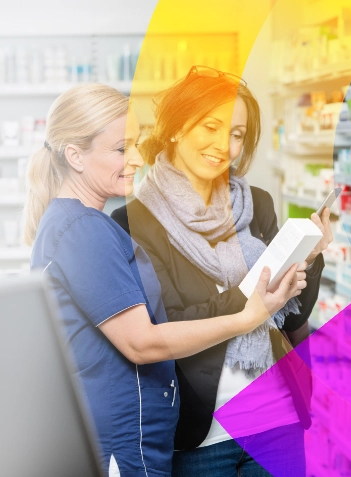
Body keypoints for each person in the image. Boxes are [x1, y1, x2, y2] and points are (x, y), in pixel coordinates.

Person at [24, 83, 306, 477]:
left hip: (145, 437)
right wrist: (246, 316)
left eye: (136, 145)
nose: (138, 158)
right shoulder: (86, 229)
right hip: (127, 443)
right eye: (122, 149)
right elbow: (142, 341)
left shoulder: (82, 224)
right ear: (75, 156)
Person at [111, 67, 333, 476]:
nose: (224, 146)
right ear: (176, 128)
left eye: (236, 134)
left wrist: (310, 257)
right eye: (211, 127)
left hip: (276, 422)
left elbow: (291, 316)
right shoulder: (133, 222)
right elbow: (167, 325)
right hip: (199, 439)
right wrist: (253, 301)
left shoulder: (257, 204)